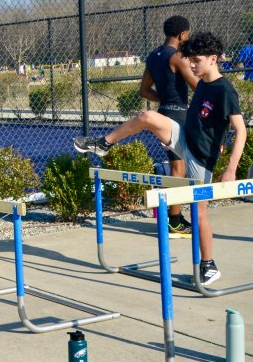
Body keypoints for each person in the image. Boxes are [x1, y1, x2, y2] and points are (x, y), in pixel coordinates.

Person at [74, 32, 246, 285]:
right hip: (185, 139)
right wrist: (165, 132)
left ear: (213, 59)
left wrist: (231, 169)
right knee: (147, 118)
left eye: (196, 61)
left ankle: (209, 266)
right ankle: (102, 144)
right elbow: (204, 120)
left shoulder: (225, 90)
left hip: (201, 158)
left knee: (199, 213)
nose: (192, 66)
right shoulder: (202, 85)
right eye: (189, 61)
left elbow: (240, 129)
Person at [139, 16, 199, 237]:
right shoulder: (178, 56)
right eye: (188, 34)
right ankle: (174, 221)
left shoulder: (153, 56)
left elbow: (144, 91)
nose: (188, 37)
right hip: (178, 115)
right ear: (182, 34)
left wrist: (165, 99)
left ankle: (174, 218)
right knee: (179, 168)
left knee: (178, 166)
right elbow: (199, 87)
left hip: (164, 112)